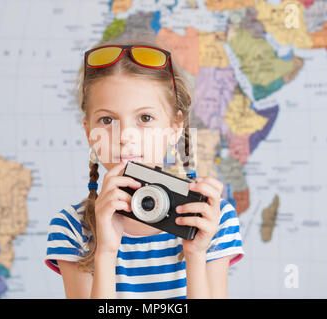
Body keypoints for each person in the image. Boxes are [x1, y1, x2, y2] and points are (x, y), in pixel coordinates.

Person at [44, 38, 244, 299]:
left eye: (145, 118)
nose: (125, 135)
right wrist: (105, 250)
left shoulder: (211, 219)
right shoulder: (72, 228)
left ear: (174, 128)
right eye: (107, 119)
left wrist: (195, 254)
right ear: (89, 131)